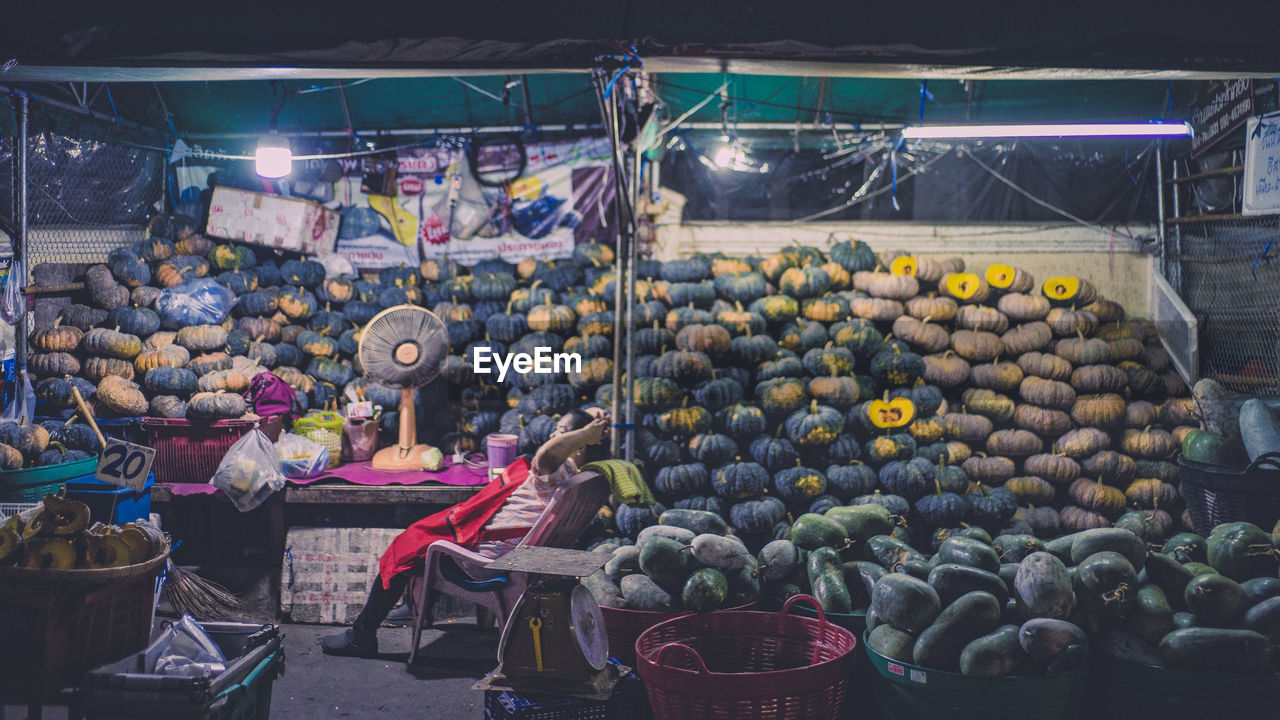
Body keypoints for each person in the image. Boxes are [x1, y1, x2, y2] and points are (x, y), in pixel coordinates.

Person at [320, 406, 610, 657]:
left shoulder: (557, 471)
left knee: (406, 545)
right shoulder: (580, 476)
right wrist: (589, 428)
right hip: (515, 557)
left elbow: (545, 457)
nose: (551, 436)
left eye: (560, 432)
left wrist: (583, 433)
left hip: (483, 563)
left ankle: (361, 636)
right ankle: (411, 605)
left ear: (579, 445)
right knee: (425, 535)